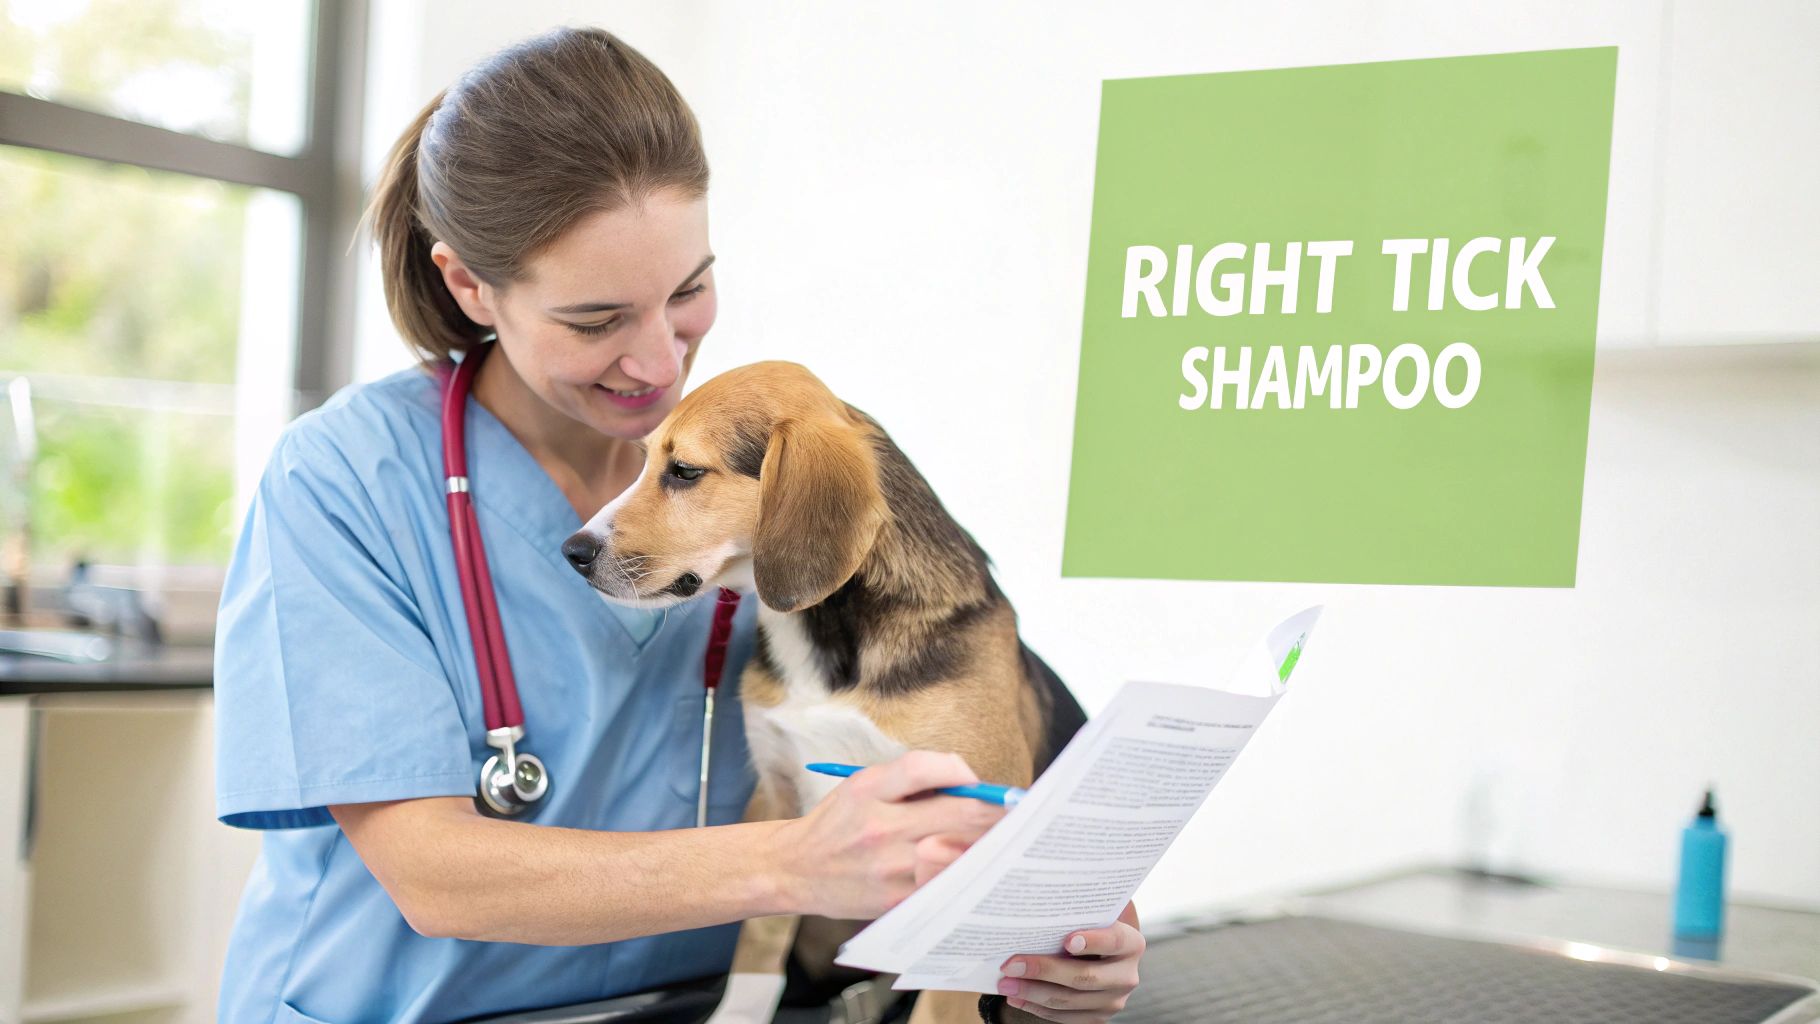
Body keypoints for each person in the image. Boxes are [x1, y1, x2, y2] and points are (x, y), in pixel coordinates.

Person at [212, 26, 1143, 1023]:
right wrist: (794, 862)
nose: (659, 364)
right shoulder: (344, 483)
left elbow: (966, 737)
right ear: (468, 284)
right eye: (595, 320)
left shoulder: (763, 479)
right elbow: (437, 876)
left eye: (688, 290)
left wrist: (1047, 935)